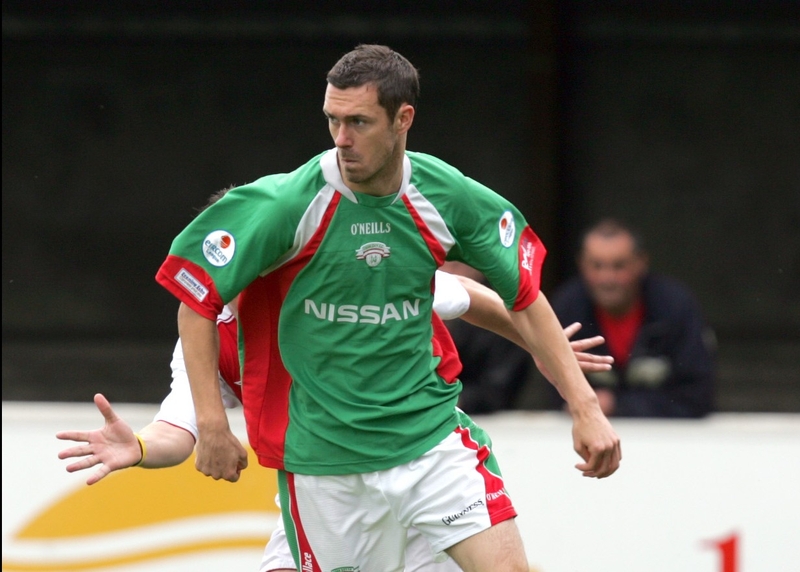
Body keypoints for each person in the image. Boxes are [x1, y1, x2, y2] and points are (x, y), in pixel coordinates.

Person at [155, 44, 621, 571]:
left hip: (429, 444)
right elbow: (195, 299)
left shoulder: (445, 195)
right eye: (332, 121)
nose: (341, 140)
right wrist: (214, 427)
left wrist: (581, 405)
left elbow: (517, 296)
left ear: (404, 120)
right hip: (325, 466)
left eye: (358, 122)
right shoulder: (289, 205)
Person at [58, 272, 612, 572]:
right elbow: (180, 430)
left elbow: (466, 296)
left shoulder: (347, 268)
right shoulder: (210, 331)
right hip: (321, 482)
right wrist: (138, 446)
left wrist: (542, 347)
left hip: (424, 453)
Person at [545, 217, 715, 418]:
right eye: (597, 266)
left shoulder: (676, 307)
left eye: (618, 266)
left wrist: (617, 405)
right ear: (581, 264)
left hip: (668, 438)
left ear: (641, 263)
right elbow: (554, 392)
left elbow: (697, 395)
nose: (607, 279)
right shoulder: (566, 308)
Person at [440, 261, 534, 414]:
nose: (447, 272)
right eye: (439, 263)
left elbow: (497, 391)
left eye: (456, 265)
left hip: (486, 419)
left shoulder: (501, 312)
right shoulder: (411, 307)